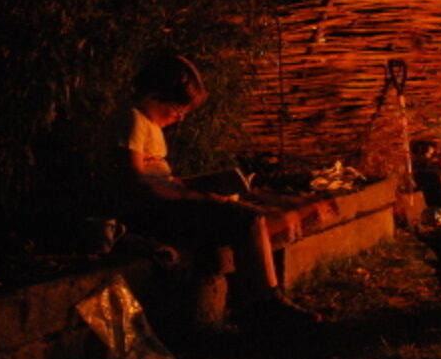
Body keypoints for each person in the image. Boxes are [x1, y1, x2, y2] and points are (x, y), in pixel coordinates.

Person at [110, 51, 320, 329]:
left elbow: (160, 179)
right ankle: (263, 304)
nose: (180, 118)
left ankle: (258, 300)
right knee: (248, 219)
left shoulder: (148, 124)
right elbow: (135, 182)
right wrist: (194, 196)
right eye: (177, 109)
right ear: (154, 94)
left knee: (246, 216)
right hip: (148, 213)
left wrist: (200, 186)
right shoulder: (132, 119)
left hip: (165, 204)